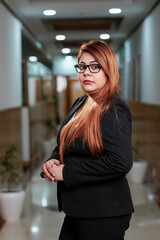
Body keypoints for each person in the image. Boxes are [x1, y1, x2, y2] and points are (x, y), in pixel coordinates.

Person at [41, 40, 134, 240]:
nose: (86, 72)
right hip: (79, 208)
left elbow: (120, 162)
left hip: (103, 212)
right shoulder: (83, 102)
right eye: (82, 66)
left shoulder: (113, 108)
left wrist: (66, 172)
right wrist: (54, 158)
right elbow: (69, 140)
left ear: (109, 70)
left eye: (95, 66)